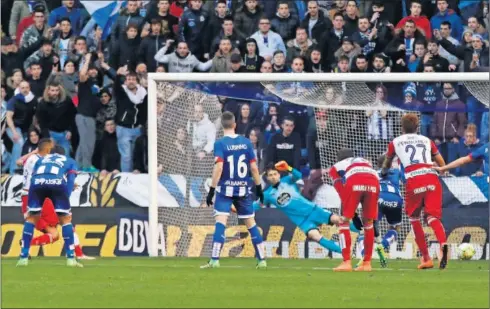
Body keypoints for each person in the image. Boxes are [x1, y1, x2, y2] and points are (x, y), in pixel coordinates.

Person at [382, 113, 448, 270]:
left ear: (402, 128)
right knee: (432, 217)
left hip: (414, 179)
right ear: (417, 127)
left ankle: (426, 258)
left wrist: (384, 172)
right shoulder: (427, 140)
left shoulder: (395, 142)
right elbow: (442, 163)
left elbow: (387, 162)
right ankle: (443, 244)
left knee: (414, 218)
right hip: (431, 178)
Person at [202, 111, 266, 269]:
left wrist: (211, 190)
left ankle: (215, 260)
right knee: (251, 225)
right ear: (235, 124)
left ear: (222, 126)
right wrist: (258, 188)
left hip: (225, 191)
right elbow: (253, 167)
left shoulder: (220, 144)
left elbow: (219, 167)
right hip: (243, 191)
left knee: (220, 224)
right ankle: (262, 260)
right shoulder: (246, 142)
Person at [257, 161, 359, 254]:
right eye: (270, 175)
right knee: (314, 236)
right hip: (301, 220)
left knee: (338, 219)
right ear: (267, 178)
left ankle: (363, 232)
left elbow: (298, 175)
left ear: (279, 175)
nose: (273, 177)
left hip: (312, 210)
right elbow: (256, 206)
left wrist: (289, 168)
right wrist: (243, 208)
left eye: (275, 174)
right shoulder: (267, 194)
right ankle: (346, 253)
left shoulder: (287, 180)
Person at [20, 141, 94, 260]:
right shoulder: (40, 160)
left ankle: (25, 247)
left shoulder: (34, 159)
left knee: (53, 234)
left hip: (28, 196)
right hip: (40, 195)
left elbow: (19, 162)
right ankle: (78, 254)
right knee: (65, 219)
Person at [328, 148, 380, 272]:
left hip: (355, 182)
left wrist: (350, 213)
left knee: (343, 222)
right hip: (374, 181)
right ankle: (367, 263)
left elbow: (341, 189)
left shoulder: (335, 167)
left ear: (338, 158)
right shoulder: (364, 161)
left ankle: (346, 262)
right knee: (368, 223)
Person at [376, 154, 403, 252]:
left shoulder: (373, 173)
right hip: (395, 199)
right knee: (395, 227)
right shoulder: (397, 171)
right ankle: (383, 245)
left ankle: (364, 252)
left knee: (369, 226)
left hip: (379, 198)